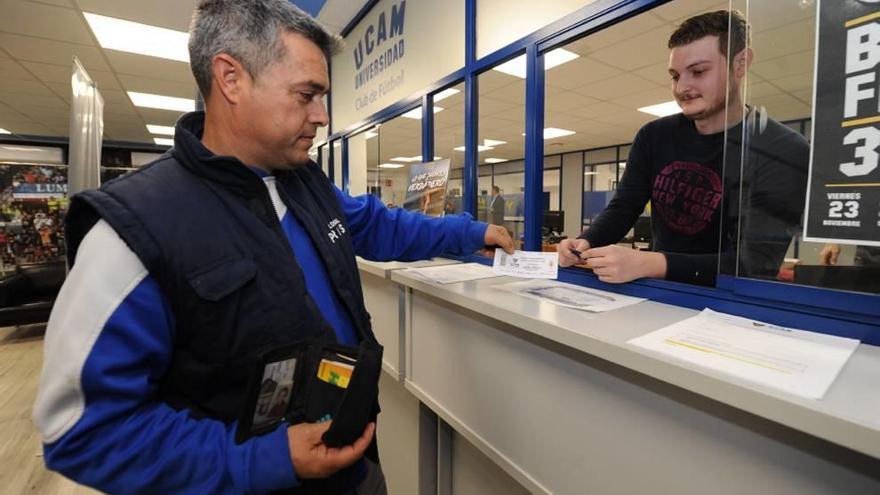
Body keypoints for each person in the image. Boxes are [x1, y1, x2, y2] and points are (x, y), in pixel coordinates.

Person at [32, 1, 513, 494]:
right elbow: (82, 429)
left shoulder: (304, 183)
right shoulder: (135, 229)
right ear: (231, 79)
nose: (323, 116)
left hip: (353, 464)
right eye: (307, 95)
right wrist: (264, 460)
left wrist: (470, 233)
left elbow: (379, 225)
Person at [558, 10, 809, 287]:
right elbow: (623, 208)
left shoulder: (783, 149)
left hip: (732, 302)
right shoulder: (654, 136)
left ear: (740, 64)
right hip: (661, 290)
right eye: (675, 76)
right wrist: (586, 241)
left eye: (698, 71)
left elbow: (756, 263)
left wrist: (650, 262)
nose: (682, 87)